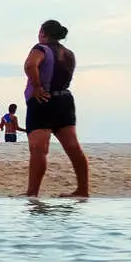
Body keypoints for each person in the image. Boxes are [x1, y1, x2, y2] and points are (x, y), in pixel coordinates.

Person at [25, 19, 88, 198]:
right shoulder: (69, 53)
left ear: (43, 33)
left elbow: (30, 65)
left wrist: (37, 87)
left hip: (43, 101)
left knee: (38, 148)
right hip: (65, 100)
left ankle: (32, 193)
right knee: (73, 147)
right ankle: (83, 189)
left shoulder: (40, 48)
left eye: (40, 32)